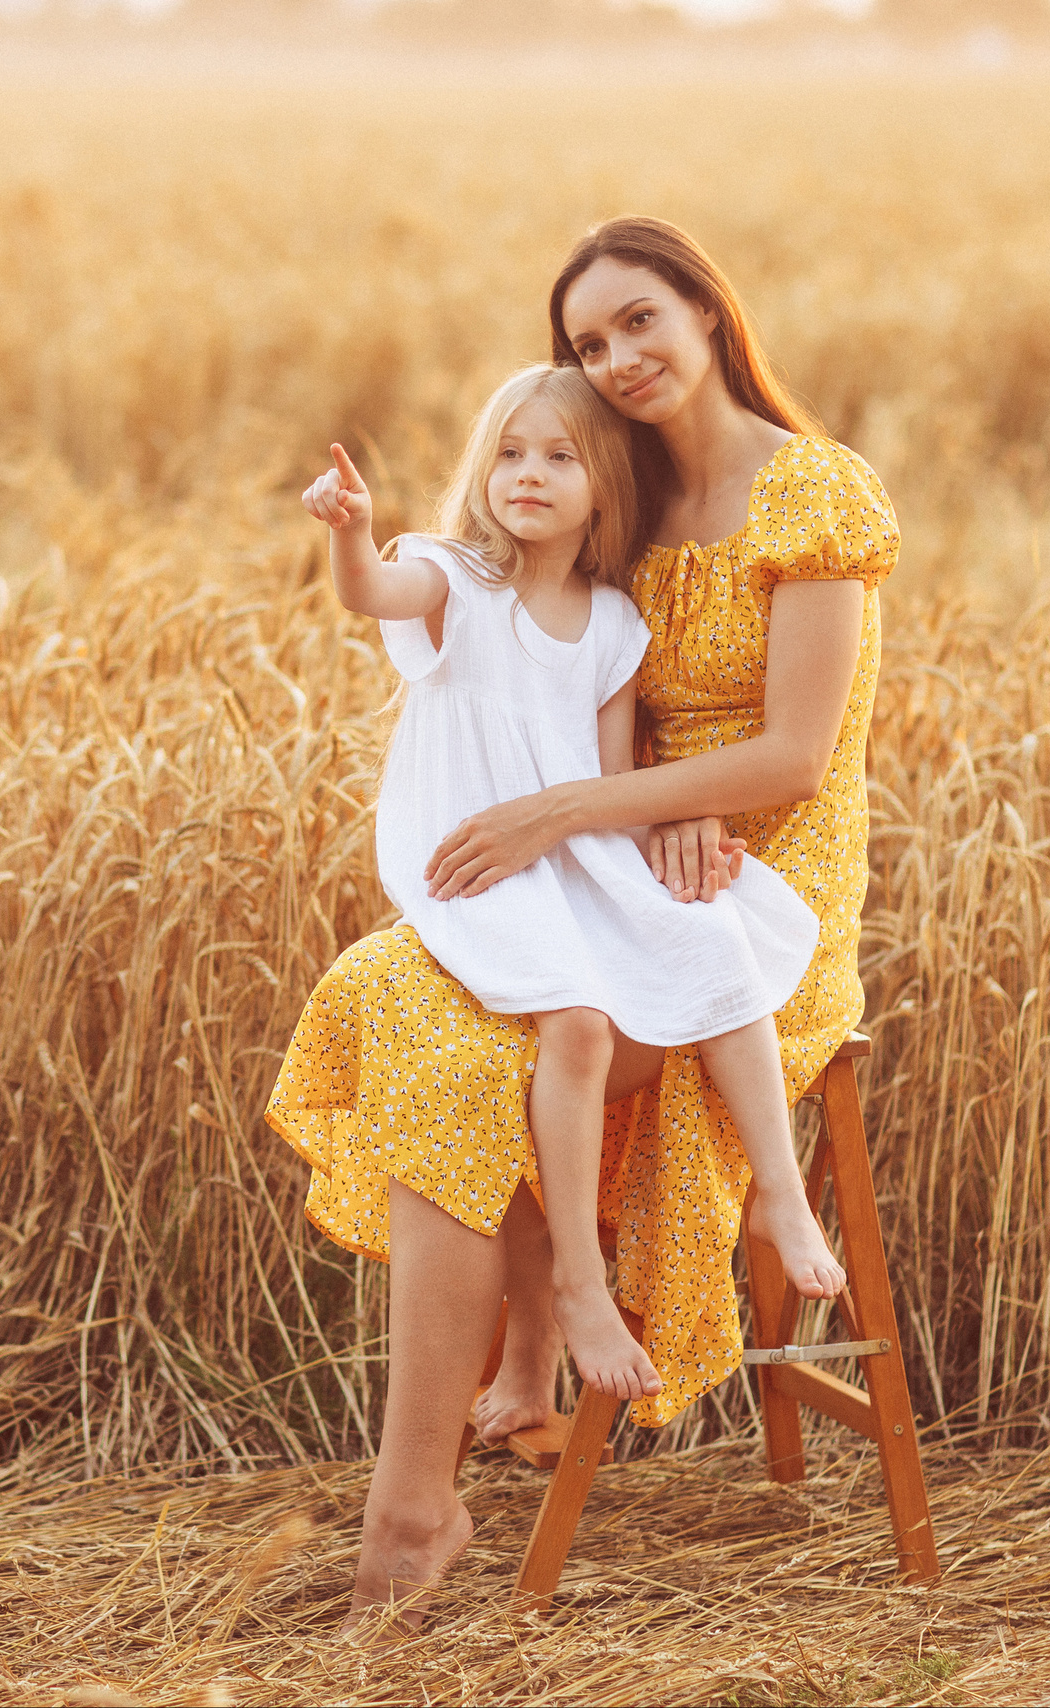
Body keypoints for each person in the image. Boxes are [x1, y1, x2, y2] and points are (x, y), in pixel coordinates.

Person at [269, 217, 897, 1631]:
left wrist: (587, 812)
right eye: (588, 343)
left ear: (707, 311)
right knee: (419, 1025)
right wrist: (612, 812)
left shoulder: (814, 497)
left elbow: (793, 758)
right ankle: (431, 1477)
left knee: (497, 1052)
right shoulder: (611, 501)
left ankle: (464, 1442)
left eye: (637, 323)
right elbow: (510, 653)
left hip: (751, 878)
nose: (615, 360)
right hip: (608, 852)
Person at [297, 362, 836, 1412]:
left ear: (605, 491)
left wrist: (684, 840)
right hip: (472, 861)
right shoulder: (450, 576)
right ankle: (580, 1291)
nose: (528, 475)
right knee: (581, 1027)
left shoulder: (612, 627)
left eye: (559, 457)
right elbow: (370, 593)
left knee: (715, 939)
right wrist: (349, 531)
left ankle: (777, 1192)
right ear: (480, 471)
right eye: (508, 453)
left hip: (570, 851)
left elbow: (606, 782)